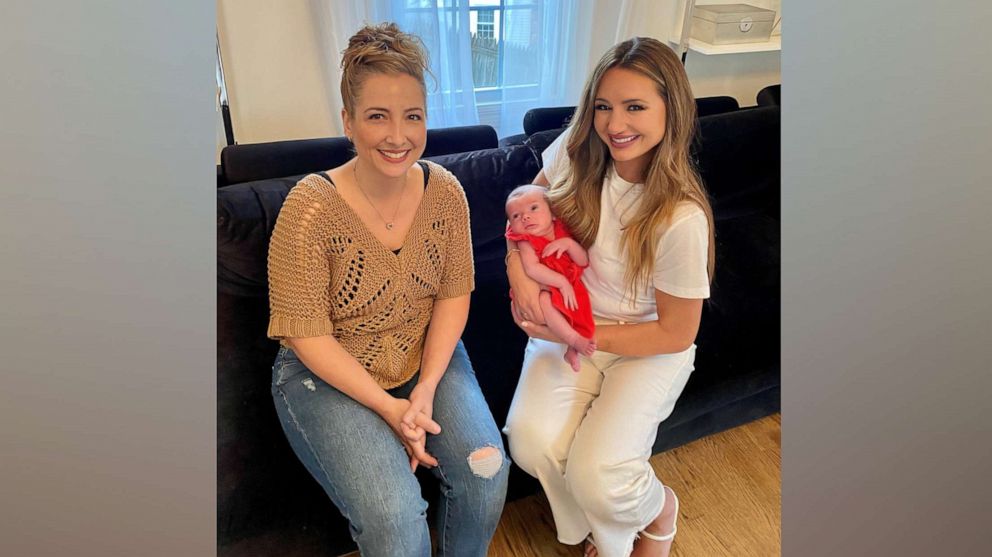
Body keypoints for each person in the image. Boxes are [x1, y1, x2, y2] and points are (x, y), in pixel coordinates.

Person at [266, 22, 508, 557]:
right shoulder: (310, 208)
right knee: (397, 523)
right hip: (325, 375)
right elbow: (306, 336)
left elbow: (452, 296)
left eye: (412, 116)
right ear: (348, 121)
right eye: (378, 116)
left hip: (424, 358)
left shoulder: (447, 194)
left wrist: (422, 392)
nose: (398, 136)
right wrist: (390, 408)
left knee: (487, 471)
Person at [503, 36, 716, 557]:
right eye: (603, 106)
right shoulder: (574, 152)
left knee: (598, 473)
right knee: (530, 443)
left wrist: (573, 333)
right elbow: (519, 225)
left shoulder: (681, 217)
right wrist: (521, 276)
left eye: (635, 107)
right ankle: (598, 529)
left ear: (674, 109)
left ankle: (656, 510)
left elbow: (676, 332)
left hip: (647, 347)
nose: (615, 124)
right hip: (573, 325)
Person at [504, 184, 596, 372]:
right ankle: (572, 339)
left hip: (570, 284)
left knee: (579, 310)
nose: (525, 216)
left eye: (533, 208)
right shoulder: (526, 241)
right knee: (546, 301)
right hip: (544, 287)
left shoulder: (563, 229)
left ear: (553, 212)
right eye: (516, 216)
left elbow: (583, 260)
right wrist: (560, 282)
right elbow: (532, 269)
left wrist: (569, 244)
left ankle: (572, 351)